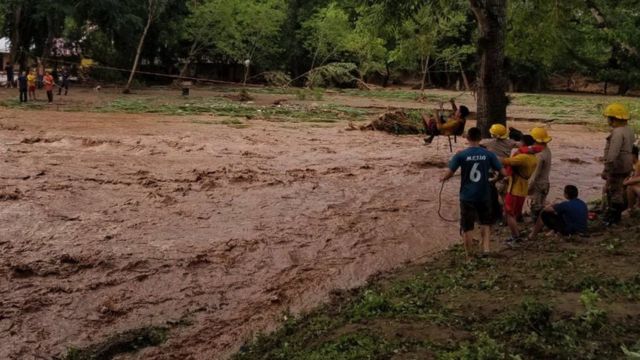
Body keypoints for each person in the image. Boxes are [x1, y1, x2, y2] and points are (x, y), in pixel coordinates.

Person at [441, 127, 507, 259]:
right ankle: (486, 250)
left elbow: (449, 173)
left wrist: (443, 178)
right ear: (480, 138)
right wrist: (494, 179)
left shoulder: (461, 155)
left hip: (467, 195)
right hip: (484, 194)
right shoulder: (489, 154)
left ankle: (469, 255)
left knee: (467, 226)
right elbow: (504, 174)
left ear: (467, 138)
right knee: (485, 223)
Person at [602, 103, 636, 226]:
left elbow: (612, 154)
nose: (608, 121)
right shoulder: (629, 130)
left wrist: (606, 170)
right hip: (627, 165)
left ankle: (613, 219)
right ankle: (617, 216)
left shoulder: (617, 133)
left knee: (614, 191)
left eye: (609, 118)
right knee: (621, 189)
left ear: (614, 119)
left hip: (617, 167)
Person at [501, 135, 538, 245]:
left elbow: (505, 161)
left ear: (523, 143)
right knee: (515, 214)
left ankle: (515, 237)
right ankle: (516, 234)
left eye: (520, 142)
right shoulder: (533, 157)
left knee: (509, 214)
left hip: (514, 190)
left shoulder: (523, 158)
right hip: (522, 189)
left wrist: (489, 155)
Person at [481, 124, 516, 223]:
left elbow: (476, 141)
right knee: (503, 197)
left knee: (492, 196)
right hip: (504, 173)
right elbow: (520, 144)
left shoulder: (488, 143)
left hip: (492, 173)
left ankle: (497, 217)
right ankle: (505, 218)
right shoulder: (510, 142)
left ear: (492, 134)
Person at [528, 127, 553, 220]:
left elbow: (535, 175)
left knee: (535, 208)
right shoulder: (547, 150)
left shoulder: (539, 156)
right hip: (545, 183)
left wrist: (528, 188)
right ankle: (540, 224)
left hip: (538, 184)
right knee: (541, 205)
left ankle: (536, 227)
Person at [623, 145, 640, 213]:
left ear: (633, 155)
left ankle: (630, 208)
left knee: (630, 186)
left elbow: (636, 179)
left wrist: (626, 182)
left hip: (636, 187)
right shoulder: (634, 165)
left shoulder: (638, 164)